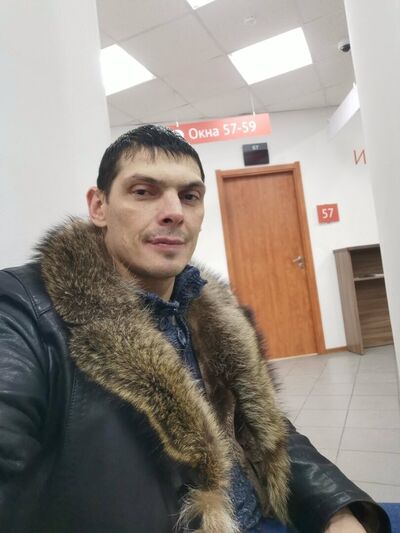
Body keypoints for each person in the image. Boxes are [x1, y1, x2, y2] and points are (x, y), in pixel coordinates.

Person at [0, 125, 390, 533]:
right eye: (143, 192)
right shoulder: (24, 311)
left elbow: (265, 431)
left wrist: (337, 511)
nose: (175, 212)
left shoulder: (208, 310)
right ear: (99, 207)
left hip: (263, 516)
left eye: (190, 196)